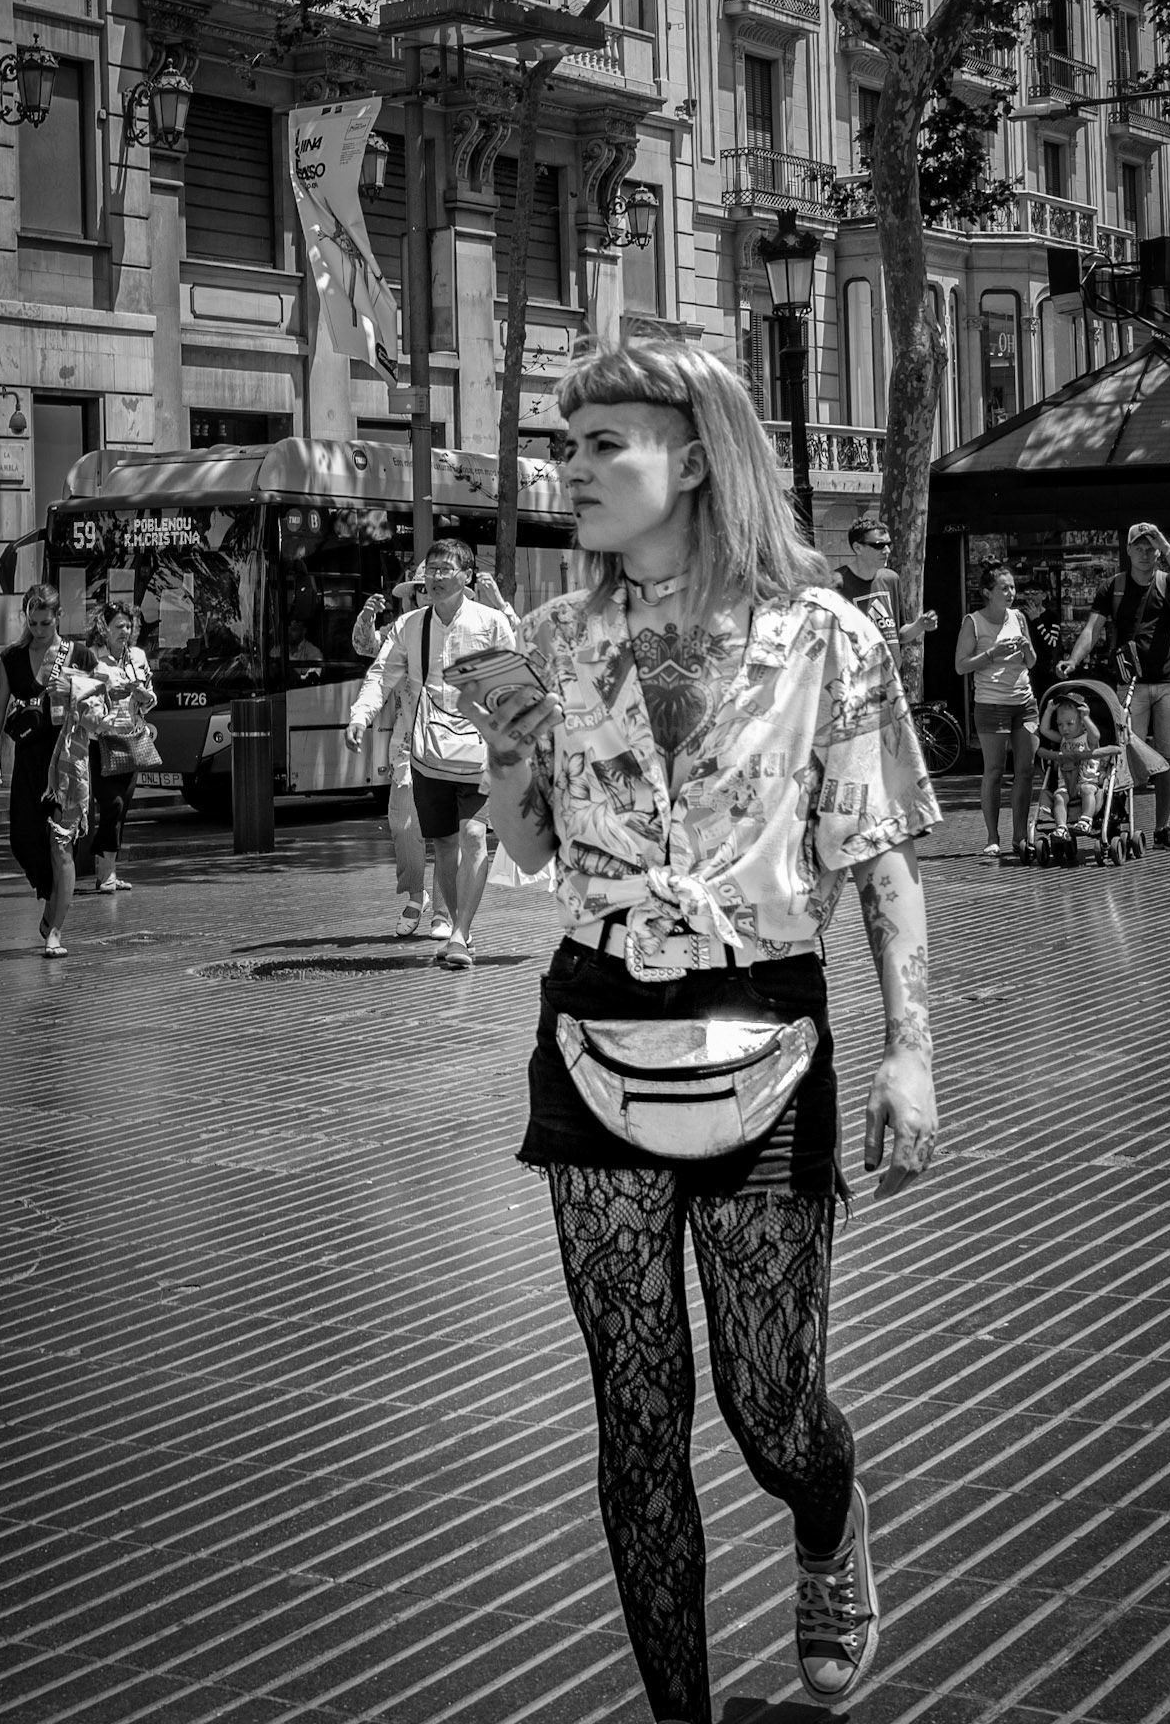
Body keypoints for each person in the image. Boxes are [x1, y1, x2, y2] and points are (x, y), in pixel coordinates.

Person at [457, 335, 940, 1724]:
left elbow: (880, 860)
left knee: (767, 1405)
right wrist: (502, 754)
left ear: (698, 452)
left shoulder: (825, 636)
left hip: (764, 1014)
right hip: (594, 1015)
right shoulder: (549, 639)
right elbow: (535, 854)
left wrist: (909, 1053)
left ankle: (828, 1524)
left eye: (606, 441)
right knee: (635, 1408)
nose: (574, 469)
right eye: (568, 443)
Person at [345, 539, 516, 968]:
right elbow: (381, 673)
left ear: (467, 577)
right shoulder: (409, 627)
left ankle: (459, 934)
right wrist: (360, 717)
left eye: (445, 570)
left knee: (475, 835)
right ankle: (455, 922)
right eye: (431, 571)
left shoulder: (491, 622)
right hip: (425, 752)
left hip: (477, 748)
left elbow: (513, 683)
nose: (435, 578)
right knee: (443, 842)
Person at [1058, 521, 1170, 852]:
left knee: (1168, 757)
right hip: (1130, 683)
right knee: (1123, 755)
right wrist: (1074, 660)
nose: (1145, 553)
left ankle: (1163, 827)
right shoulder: (1114, 587)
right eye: (1139, 547)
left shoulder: (1166, 581)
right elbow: (1093, 629)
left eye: (1150, 547)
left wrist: (1166, 544)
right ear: (1129, 550)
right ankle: (1117, 818)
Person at [0, 584, 99, 957]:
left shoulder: (78, 654)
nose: (39, 629)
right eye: (32, 623)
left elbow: (102, 704)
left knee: (60, 846)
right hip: (30, 762)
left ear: (58, 617)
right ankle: (53, 901)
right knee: (23, 841)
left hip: (68, 764)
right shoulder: (14, 657)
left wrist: (75, 691)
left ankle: (55, 930)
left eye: (45, 622)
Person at [351, 567, 452, 942]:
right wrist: (366, 617)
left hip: (454, 744)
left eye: (435, 586)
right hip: (408, 746)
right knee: (404, 826)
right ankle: (416, 895)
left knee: (448, 831)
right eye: (422, 588)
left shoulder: (467, 627)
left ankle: (443, 912)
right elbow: (365, 648)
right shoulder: (402, 630)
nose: (429, 593)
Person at [954, 563, 1038, 858]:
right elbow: (960, 665)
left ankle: (1019, 836)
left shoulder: (1019, 617)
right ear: (987, 593)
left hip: (1024, 704)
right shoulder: (973, 622)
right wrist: (992, 654)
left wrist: (1027, 649)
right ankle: (992, 836)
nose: (1011, 593)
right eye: (1004, 588)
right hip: (991, 705)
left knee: (1026, 771)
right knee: (994, 770)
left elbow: (1031, 662)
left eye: (1013, 587)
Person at [86, 602, 157, 892]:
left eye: (129, 626)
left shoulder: (138, 658)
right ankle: (104, 870)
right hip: (102, 740)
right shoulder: (92, 658)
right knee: (111, 804)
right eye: (119, 626)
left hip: (130, 741)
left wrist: (142, 695)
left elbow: (151, 699)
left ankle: (108, 873)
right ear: (104, 628)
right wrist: (104, 697)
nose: (125, 632)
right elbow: (81, 699)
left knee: (122, 808)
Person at [833, 514, 937, 670]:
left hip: (892, 679)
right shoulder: (835, 585)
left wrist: (920, 625)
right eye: (878, 545)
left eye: (888, 544)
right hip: (858, 680)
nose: (887, 550)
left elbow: (898, 634)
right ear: (857, 548)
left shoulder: (891, 579)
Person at [1038, 691, 1102, 833]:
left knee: (1087, 790)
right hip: (1065, 784)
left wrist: (1085, 717)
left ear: (1082, 724)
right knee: (1059, 797)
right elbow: (1044, 730)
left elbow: (1096, 735)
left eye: (1069, 724)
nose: (1064, 728)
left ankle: (1085, 820)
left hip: (1086, 781)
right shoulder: (1063, 739)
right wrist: (1049, 711)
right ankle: (1061, 827)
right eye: (1060, 725)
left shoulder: (1087, 739)